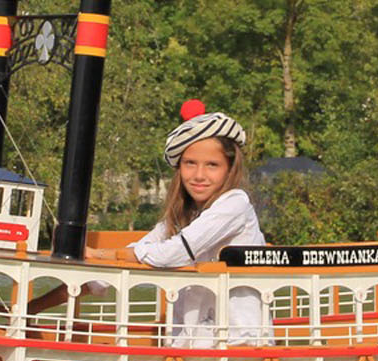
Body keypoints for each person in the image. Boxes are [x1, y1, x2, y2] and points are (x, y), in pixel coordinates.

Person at [88, 100, 265, 346]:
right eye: (190, 163)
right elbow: (144, 246)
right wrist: (91, 269)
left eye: (212, 165)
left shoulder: (235, 203)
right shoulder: (184, 213)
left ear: (229, 169)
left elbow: (174, 252)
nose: (199, 175)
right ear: (179, 167)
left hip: (236, 346)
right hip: (193, 345)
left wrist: (100, 254)